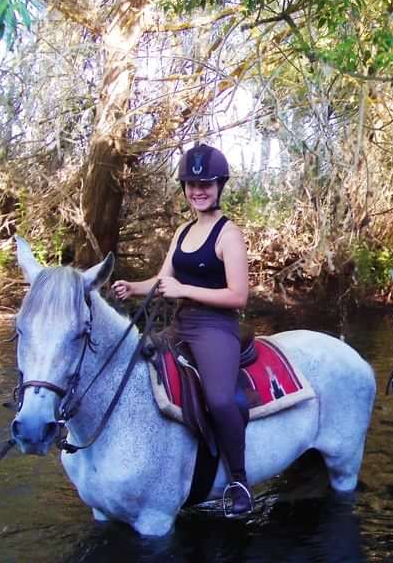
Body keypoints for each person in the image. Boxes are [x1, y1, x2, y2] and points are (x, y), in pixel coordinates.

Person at [111, 143, 252, 515]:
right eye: (191, 183)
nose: (198, 190)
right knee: (134, 362)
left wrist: (185, 290)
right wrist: (133, 287)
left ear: (220, 185)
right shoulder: (182, 232)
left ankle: (239, 480)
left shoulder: (228, 234)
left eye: (205, 183)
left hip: (215, 328)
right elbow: (163, 280)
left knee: (221, 399)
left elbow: (238, 296)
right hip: (181, 325)